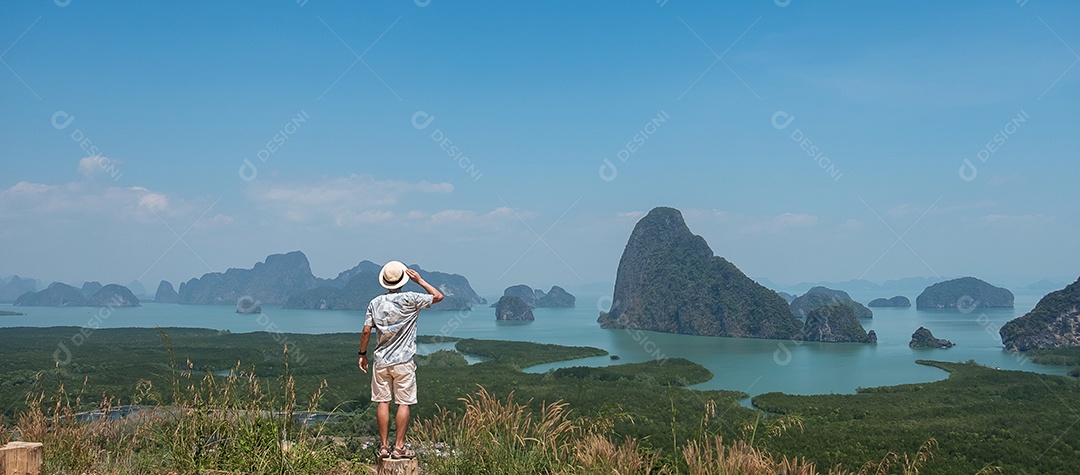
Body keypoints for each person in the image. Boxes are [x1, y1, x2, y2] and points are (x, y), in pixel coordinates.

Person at [359, 261, 443, 460]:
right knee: (404, 403)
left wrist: (362, 354)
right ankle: (399, 447)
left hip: (381, 361)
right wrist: (420, 280)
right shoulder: (411, 299)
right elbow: (438, 296)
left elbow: (366, 331)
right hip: (404, 361)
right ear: (403, 280)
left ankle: (383, 447)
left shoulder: (375, 303)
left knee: (383, 402)